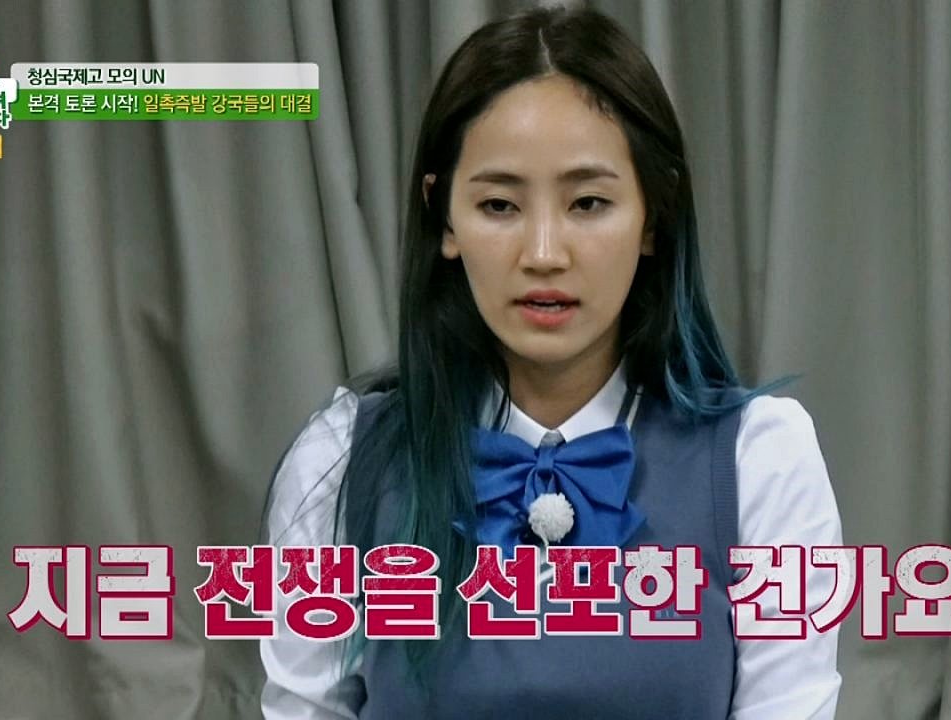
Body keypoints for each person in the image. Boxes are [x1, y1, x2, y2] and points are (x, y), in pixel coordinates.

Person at [261, 5, 842, 719]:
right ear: (444, 218)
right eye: (499, 205)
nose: (543, 253)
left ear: (654, 215)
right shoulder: (342, 460)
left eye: (588, 203)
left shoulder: (763, 458)